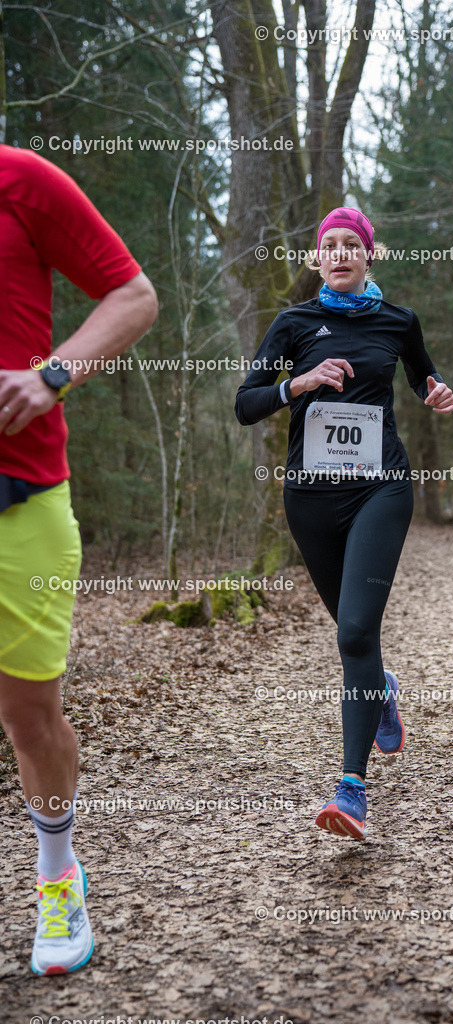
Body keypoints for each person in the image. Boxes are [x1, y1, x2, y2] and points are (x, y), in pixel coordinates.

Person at [235, 207, 453, 840]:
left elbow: (423, 376)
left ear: (368, 254)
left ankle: (352, 787)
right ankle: (381, 688)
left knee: (355, 632)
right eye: (327, 245)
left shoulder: (399, 320)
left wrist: (436, 392)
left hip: (380, 488)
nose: (338, 254)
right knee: (353, 631)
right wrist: (297, 384)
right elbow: (246, 405)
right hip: (310, 499)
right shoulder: (294, 323)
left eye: (349, 245)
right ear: (316, 259)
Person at [0, 144, 158, 973]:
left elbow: (132, 294)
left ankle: (58, 877)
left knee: (29, 717)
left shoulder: (20, 179)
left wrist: (50, 376)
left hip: (18, 494)